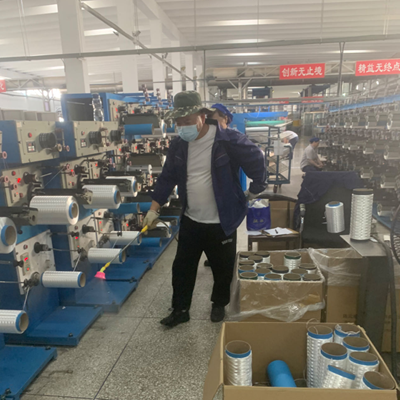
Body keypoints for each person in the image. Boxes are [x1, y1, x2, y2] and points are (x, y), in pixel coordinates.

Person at [142, 91, 266, 328]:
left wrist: (254, 190)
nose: (182, 126)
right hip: (191, 219)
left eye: (187, 120)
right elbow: (167, 178)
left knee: (222, 268)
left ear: (202, 115)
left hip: (222, 221)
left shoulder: (228, 140)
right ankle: (180, 310)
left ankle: (219, 304)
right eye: (178, 122)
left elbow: (256, 158)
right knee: (182, 268)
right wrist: (154, 209)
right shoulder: (179, 145)